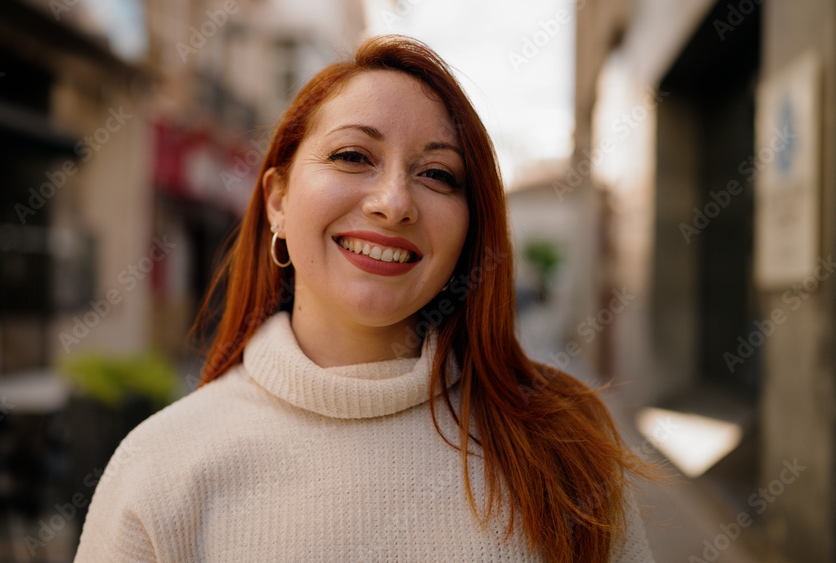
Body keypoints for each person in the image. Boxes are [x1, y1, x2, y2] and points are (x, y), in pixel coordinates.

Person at [75, 35, 656, 563]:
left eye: (437, 174)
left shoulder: (565, 443)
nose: (393, 202)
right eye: (353, 156)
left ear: (470, 230)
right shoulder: (160, 467)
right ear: (277, 199)